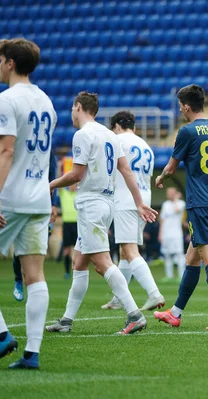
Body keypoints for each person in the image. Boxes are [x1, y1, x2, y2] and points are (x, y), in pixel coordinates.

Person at [45, 92, 158, 335]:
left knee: (102, 263)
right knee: (79, 261)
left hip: (92, 203)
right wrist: (139, 202)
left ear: (78, 107)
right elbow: (126, 171)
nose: (71, 114)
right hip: (107, 202)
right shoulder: (109, 135)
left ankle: (134, 314)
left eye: (72, 109)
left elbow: (76, 175)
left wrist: (51, 185)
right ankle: (66, 320)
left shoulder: (83, 135)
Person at [153, 84, 208, 330]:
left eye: (180, 106)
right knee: (192, 257)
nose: (180, 110)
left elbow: (170, 168)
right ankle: (175, 313)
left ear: (187, 107)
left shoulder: (187, 132)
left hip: (200, 203)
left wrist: (160, 179)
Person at [0, 38, 54, 369]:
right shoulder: (46, 101)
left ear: (9, 63)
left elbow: (6, 150)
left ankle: (3, 334)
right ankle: (32, 354)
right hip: (39, 198)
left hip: (11, 196)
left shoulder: (7, 100)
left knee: (33, 274)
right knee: (35, 274)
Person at [100, 111, 165, 311]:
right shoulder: (146, 146)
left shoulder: (115, 140)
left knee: (130, 250)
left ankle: (154, 293)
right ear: (134, 127)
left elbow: (108, 169)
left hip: (126, 199)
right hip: (144, 199)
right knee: (124, 252)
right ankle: (119, 297)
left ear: (116, 126)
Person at [13, 147, 59, 302]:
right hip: (18, 201)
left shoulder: (47, 148)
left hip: (40, 203)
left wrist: (53, 203)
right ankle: (18, 280)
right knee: (19, 249)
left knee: (37, 252)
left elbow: (52, 175)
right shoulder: (17, 144)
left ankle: (31, 281)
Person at [159, 187, 187, 279]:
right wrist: (160, 233)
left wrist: (176, 199)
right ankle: (169, 275)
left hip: (176, 234)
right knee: (167, 255)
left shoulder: (181, 203)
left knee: (179, 254)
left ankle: (181, 275)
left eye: (171, 193)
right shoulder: (165, 204)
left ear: (175, 193)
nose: (169, 194)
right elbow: (162, 219)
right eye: (168, 193)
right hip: (166, 234)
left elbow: (176, 210)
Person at [58, 182, 78, 280]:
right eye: (71, 184)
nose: (72, 186)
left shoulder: (79, 194)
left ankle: (77, 271)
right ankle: (67, 272)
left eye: (74, 184)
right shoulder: (63, 193)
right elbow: (59, 183)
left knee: (77, 251)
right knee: (66, 250)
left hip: (77, 224)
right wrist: (59, 167)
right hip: (67, 225)